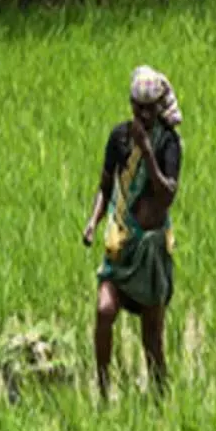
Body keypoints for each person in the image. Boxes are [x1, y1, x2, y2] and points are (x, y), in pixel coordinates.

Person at [81, 65, 183, 401]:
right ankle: (103, 386)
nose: (143, 113)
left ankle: (160, 400)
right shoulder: (119, 138)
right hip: (121, 242)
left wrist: (148, 153)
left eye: (149, 106)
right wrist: (93, 222)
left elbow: (167, 194)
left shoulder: (168, 143)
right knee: (104, 310)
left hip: (151, 250)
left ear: (159, 106)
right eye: (137, 106)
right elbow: (106, 185)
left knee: (152, 337)